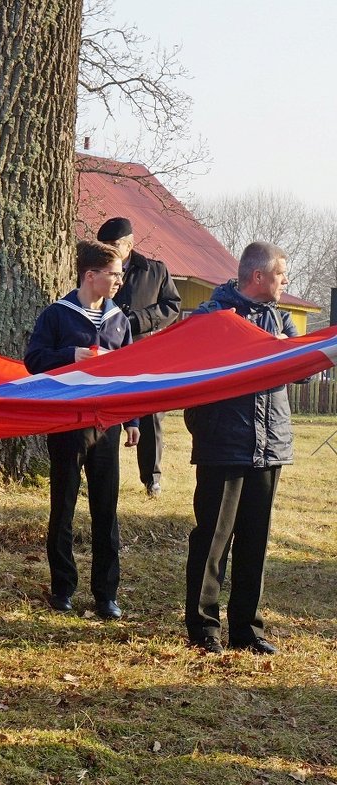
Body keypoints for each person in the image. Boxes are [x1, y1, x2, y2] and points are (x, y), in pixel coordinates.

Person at [183, 242, 294, 656]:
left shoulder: (282, 318)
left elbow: (297, 368)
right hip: (222, 443)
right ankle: (204, 627)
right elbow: (198, 363)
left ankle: (247, 628)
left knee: (255, 540)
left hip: (271, 444)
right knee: (213, 539)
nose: (286, 282)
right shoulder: (211, 316)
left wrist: (278, 345)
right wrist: (267, 346)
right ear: (259, 276)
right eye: (282, 274)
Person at [24, 240, 140, 619]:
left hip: (105, 425)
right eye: (115, 274)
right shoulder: (57, 315)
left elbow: (130, 376)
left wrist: (133, 421)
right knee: (64, 508)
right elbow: (33, 361)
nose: (120, 280)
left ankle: (106, 594)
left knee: (106, 511)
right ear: (91, 276)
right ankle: (63, 589)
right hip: (67, 425)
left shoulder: (119, 320)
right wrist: (68, 356)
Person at [96, 217, 182, 498]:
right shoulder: (96, 270)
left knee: (150, 418)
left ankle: (152, 478)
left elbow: (172, 306)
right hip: (107, 354)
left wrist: (136, 321)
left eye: (114, 245)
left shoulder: (156, 271)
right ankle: (100, 475)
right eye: (104, 245)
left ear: (130, 245)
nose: (108, 249)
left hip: (145, 353)